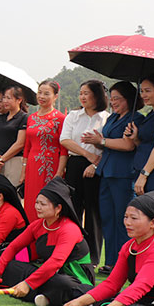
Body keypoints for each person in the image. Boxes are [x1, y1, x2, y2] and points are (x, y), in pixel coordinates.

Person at [62, 192, 154, 306]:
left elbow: (140, 286)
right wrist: (80, 302)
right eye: (125, 217)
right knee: (92, 301)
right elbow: (111, 284)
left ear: (153, 223)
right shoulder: (129, 247)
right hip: (142, 302)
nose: (127, 222)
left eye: (134, 218)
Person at [0, 177, 95, 306]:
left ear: (58, 208)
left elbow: (56, 262)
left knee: (61, 283)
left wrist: (27, 283)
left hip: (73, 277)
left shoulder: (69, 229)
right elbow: (14, 246)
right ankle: (46, 295)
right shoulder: (38, 225)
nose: (37, 207)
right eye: (37, 203)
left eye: (43, 204)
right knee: (11, 266)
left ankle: (41, 293)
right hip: (48, 274)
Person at [82, 81, 143, 273]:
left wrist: (102, 140)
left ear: (129, 100)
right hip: (106, 172)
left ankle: (124, 262)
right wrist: (97, 142)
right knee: (107, 217)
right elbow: (106, 142)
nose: (113, 102)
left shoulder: (136, 119)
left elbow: (128, 145)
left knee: (123, 219)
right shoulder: (114, 118)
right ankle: (110, 261)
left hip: (123, 174)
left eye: (118, 98)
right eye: (112, 98)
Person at [60, 80, 109, 267]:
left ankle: (93, 258)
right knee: (73, 209)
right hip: (76, 164)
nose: (82, 96)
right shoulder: (73, 115)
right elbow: (64, 139)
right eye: (81, 93)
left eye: (86, 93)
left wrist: (95, 164)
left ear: (97, 95)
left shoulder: (106, 118)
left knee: (93, 212)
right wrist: (87, 154)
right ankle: (72, 252)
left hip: (97, 166)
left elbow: (108, 145)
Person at [22, 80, 67, 222]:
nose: (41, 96)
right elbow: (27, 146)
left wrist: (59, 172)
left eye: (46, 93)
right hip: (32, 167)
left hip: (50, 167)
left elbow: (63, 149)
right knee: (31, 204)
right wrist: (23, 170)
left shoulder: (60, 118)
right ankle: (31, 241)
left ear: (55, 96)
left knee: (48, 203)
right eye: (39, 93)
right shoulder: (31, 118)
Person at [126, 73, 154, 196]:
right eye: (141, 91)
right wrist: (135, 138)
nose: (143, 95)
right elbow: (147, 144)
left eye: (147, 91)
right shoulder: (152, 113)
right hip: (143, 168)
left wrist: (144, 175)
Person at [0, 86, 28, 188]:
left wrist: (1, 160)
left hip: (14, 161)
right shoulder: (0, 119)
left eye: (9, 98)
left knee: (12, 192)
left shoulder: (24, 118)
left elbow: (20, 143)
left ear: (19, 100)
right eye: (4, 98)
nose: (5, 101)